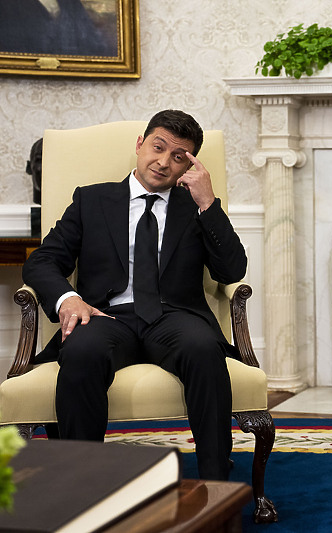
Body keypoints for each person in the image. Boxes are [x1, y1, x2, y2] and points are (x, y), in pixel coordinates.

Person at [22, 110, 247, 481]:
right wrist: (69, 299)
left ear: (189, 165)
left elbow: (232, 270)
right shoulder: (91, 201)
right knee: (80, 350)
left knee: (203, 349)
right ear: (140, 144)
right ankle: (82, 483)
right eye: (158, 148)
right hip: (107, 316)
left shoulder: (196, 206)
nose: (163, 162)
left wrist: (208, 203)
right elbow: (43, 262)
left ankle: (214, 483)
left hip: (174, 317)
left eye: (178, 157)